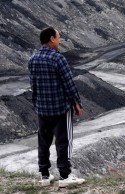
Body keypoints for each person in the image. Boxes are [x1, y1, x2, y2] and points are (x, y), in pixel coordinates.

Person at [28, 27, 85, 188]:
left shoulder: (32, 59)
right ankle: (65, 176)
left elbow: (34, 85)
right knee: (63, 141)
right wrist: (77, 103)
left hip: (42, 109)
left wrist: (36, 104)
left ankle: (45, 175)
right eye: (59, 37)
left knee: (43, 142)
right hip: (60, 108)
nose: (60, 40)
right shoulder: (58, 59)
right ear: (52, 39)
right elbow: (69, 84)